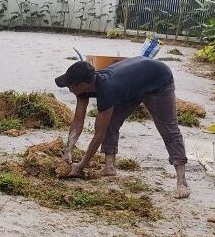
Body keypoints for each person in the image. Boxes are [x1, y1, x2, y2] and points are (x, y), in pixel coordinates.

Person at [54, 57, 190, 199]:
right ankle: (110, 166)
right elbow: (78, 120)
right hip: (132, 84)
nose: (69, 90)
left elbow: (98, 135)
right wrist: (68, 149)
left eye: (70, 86)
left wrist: (80, 166)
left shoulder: (108, 89)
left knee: (168, 129)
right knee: (111, 121)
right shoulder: (84, 88)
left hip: (157, 79)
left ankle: (182, 182)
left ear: (81, 85)